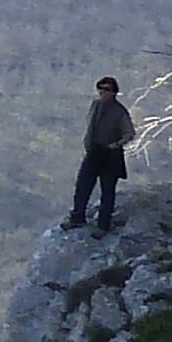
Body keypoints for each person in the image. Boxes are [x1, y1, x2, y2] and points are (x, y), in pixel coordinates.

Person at [65, 76, 133, 235]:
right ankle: (77, 218)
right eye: (100, 88)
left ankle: (103, 226)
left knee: (107, 191)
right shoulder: (95, 105)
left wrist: (115, 145)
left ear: (114, 92)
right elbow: (90, 127)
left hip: (111, 155)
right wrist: (87, 145)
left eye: (107, 89)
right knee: (82, 185)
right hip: (94, 152)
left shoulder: (120, 112)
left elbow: (129, 133)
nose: (103, 92)